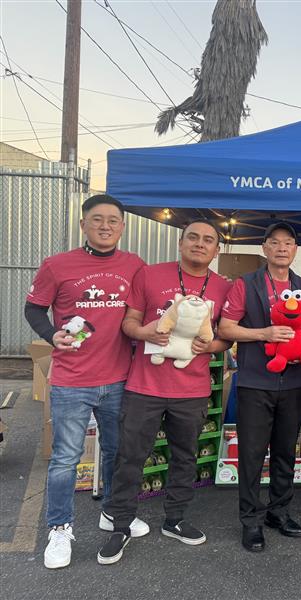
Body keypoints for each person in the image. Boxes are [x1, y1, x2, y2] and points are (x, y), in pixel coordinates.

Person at [97, 220, 232, 565]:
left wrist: (210, 346)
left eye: (208, 240)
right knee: (130, 457)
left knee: (185, 456)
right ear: (180, 242)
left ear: (217, 250)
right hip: (144, 387)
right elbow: (129, 322)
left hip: (193, 389)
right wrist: (145, 333)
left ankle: (175, 519)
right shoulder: (149, 275)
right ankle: (120, 524)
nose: (199, 244)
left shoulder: (223, 287)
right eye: (193, 237)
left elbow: (226, 338)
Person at [24, 194, 146, 569]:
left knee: (115, 452)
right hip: (71, 381)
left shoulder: (135, 266)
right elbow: (33, 307)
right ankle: (59, 528)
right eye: (97, 220)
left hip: (120, 379)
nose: (105, 226)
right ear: (83, 225)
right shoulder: (57, 265)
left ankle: (111, 512)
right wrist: (51, 334)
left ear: (122, 227)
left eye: (113, 220)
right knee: (65, 459)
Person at [218, 222, 301, 552]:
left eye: (288, 243)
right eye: (275, 243)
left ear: (295, 249)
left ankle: (279, 512)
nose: (282, 248)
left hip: (294, 383)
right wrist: (264, 334)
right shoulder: (247, 283)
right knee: (252, 455)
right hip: (255, 382)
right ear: (265, 248)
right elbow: (227, 327)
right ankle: (250, 521)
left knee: (287, 451)